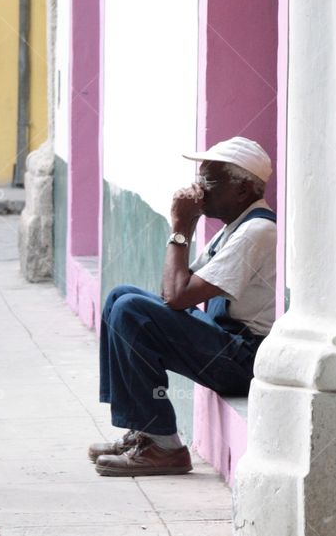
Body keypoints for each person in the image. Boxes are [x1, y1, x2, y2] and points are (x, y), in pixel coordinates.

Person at [90, 136, 277, 476]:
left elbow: (176, 296)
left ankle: (164, 446)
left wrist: (180, 226)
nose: (198, 189)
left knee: (132, 311)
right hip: (226, 342)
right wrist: (186, 227)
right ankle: (144, 432)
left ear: (243, 189)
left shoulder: (258, 230)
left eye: (209, 182)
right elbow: (174, 290)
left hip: (244, 359)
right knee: (121, 297)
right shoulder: (232, 230)